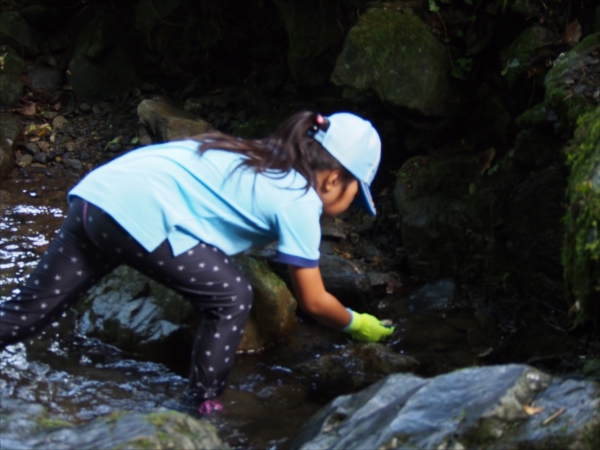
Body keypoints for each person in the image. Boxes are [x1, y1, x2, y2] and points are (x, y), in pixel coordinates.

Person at [0, 111, 394, 414]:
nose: (345, 211)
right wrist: (358, 324)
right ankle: (202, 409)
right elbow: (313, 300)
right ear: (332, 179)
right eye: (354, 197)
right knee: (232, 296)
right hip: (136, 213)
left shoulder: (258, 155)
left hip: (96, 197)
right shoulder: (300, 201)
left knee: (23, 316)